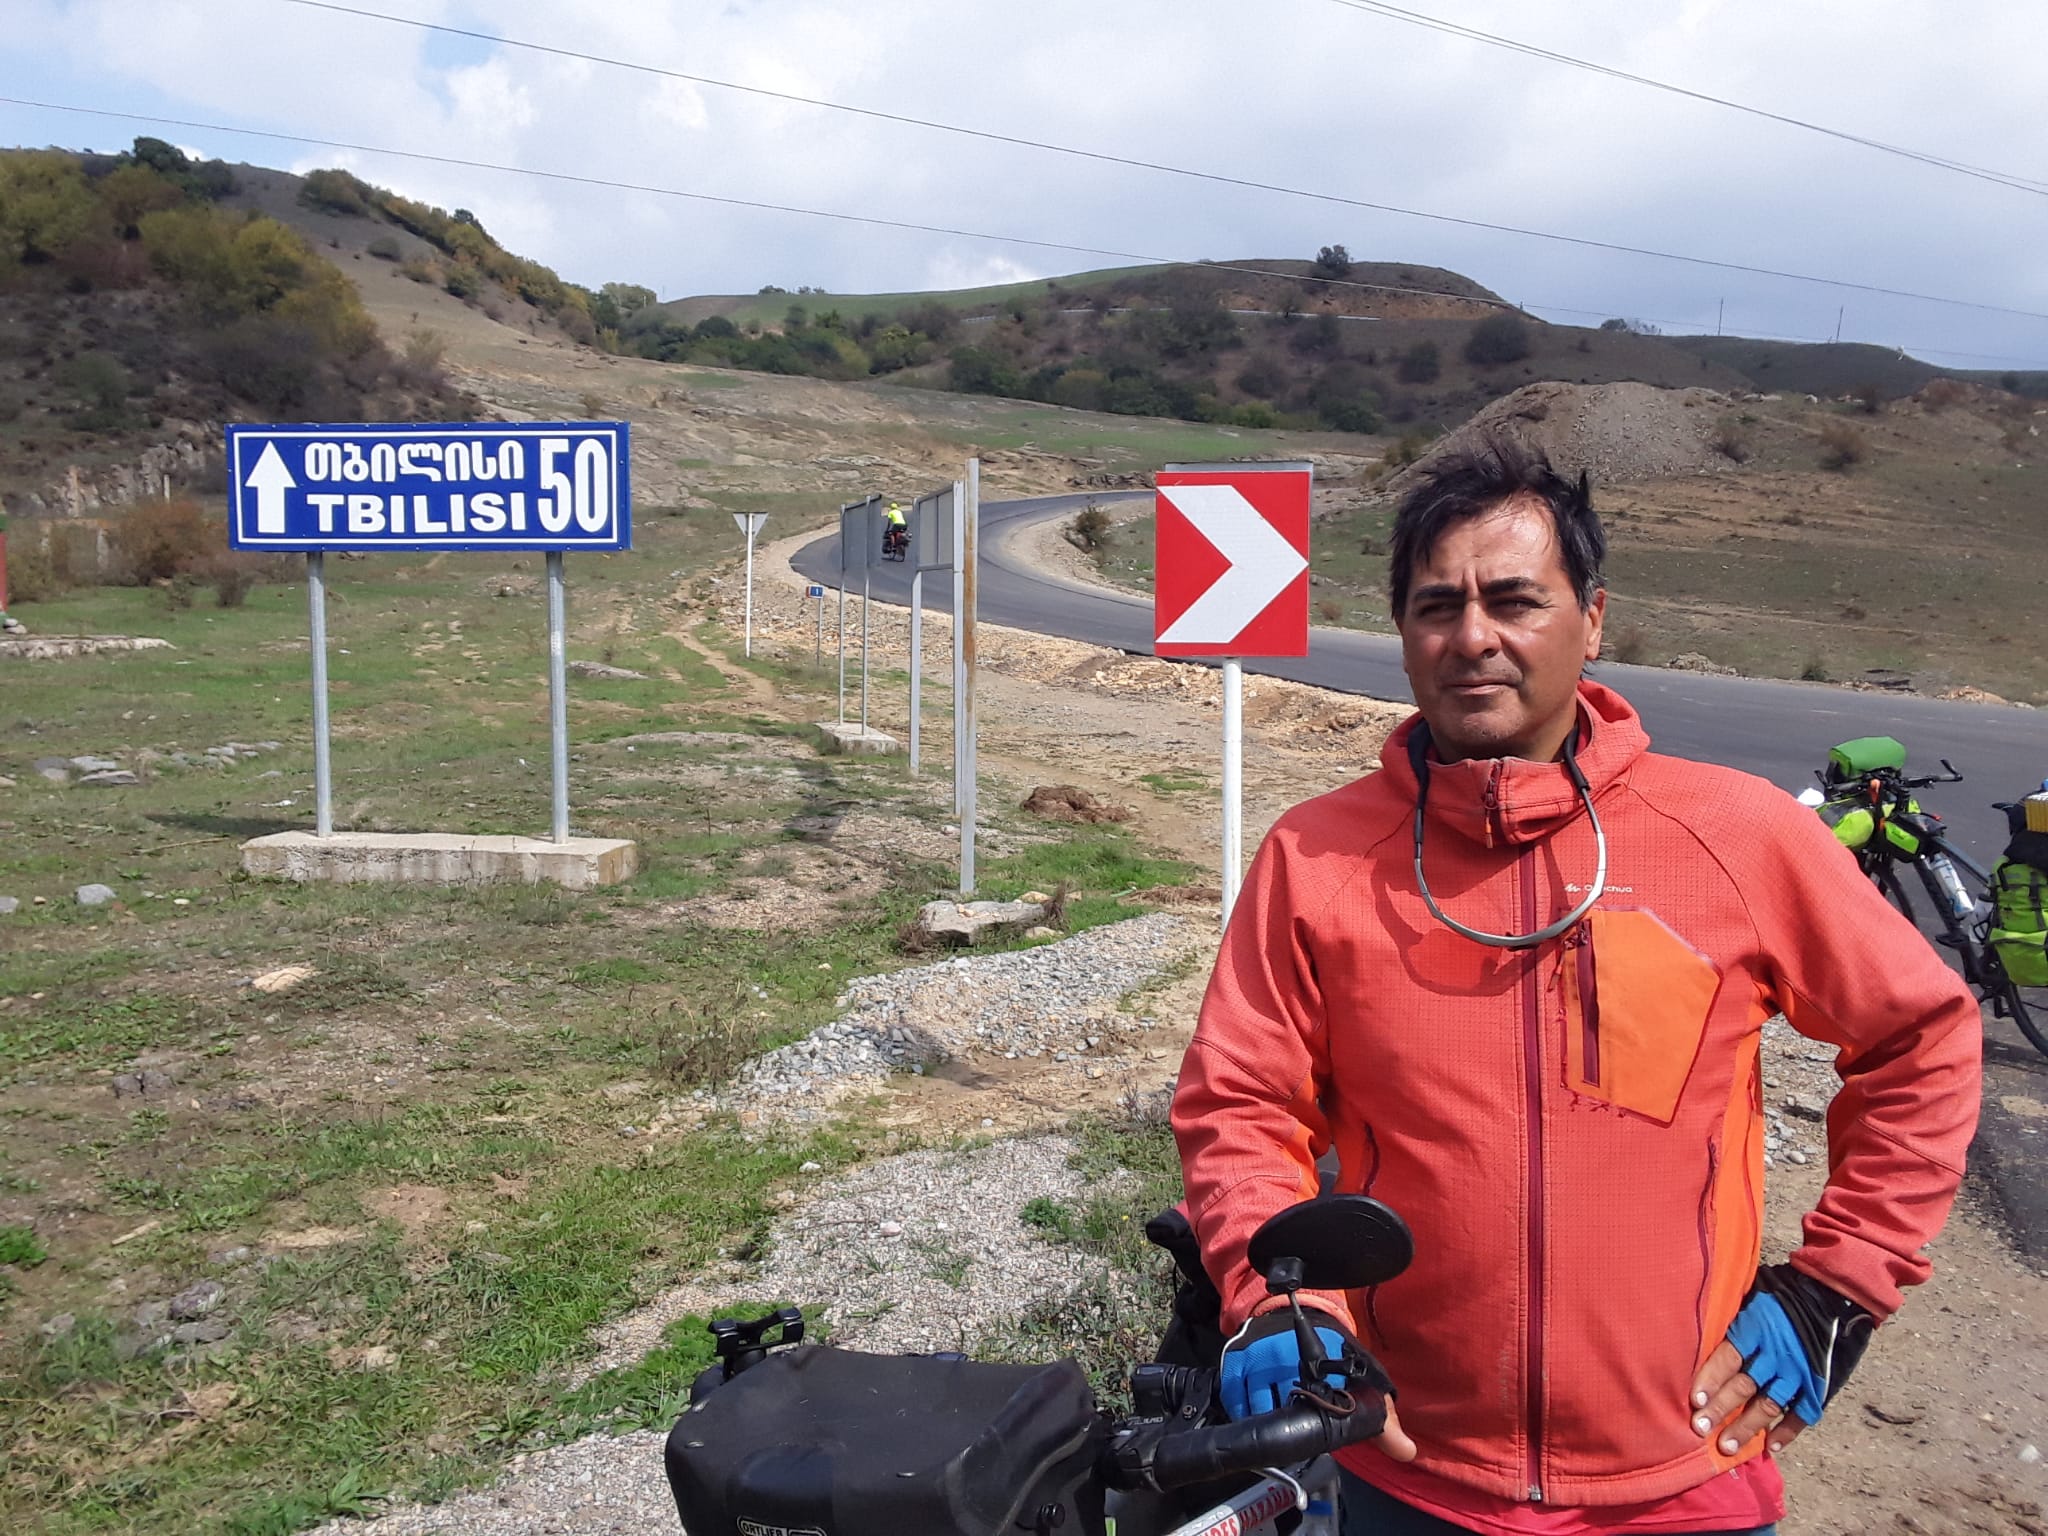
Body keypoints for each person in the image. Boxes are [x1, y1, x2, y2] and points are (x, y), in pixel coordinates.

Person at [1171, 433, 1982, 1536]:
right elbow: (1239, 1104)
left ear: (1590, 619)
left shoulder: (1733, 835)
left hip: (1686, 1474)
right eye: (1433, 607)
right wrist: (1277, 1299)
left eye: (1514, 601)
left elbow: (1919, 1038)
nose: (1471, 640)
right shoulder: (1315, 858)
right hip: (1406, 1467)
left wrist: (1840, 1282)